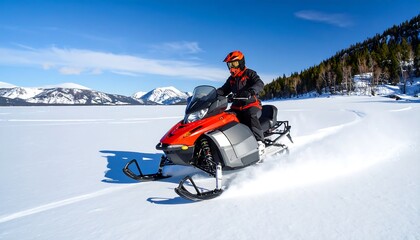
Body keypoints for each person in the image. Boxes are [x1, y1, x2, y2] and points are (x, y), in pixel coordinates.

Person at [216, 50, 265, 156]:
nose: (232, 67)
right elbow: (224, 90)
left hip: (251, 104)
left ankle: (260, 142)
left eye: (235, 63)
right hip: (237, 108)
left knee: (251, 115)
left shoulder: (250, 73)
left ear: (241, 62)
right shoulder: (231, 79)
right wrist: (213, 94)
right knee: (223, 117)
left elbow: (259, 83)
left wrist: (251, 91)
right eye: (230, 64)